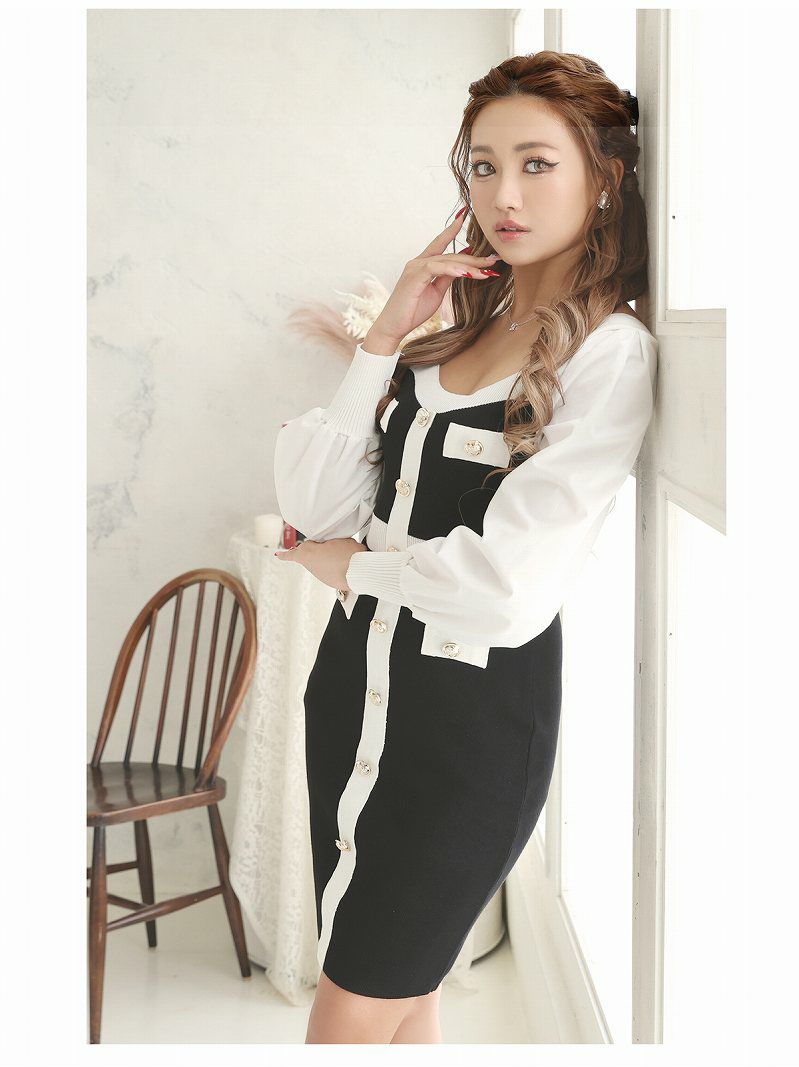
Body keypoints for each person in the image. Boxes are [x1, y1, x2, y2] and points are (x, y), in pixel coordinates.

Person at [273, 50, 658, 1044]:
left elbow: (505, 590)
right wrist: (383, 337)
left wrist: (353, 567)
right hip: (350, 692)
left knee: (351, 1008)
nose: (503, 194)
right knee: (404, 1000)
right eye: (483, 166)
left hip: (468, 732)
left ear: (603, 176)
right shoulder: (446, 339)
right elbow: (314, 503)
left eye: (536, 163)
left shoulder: (607, 352)